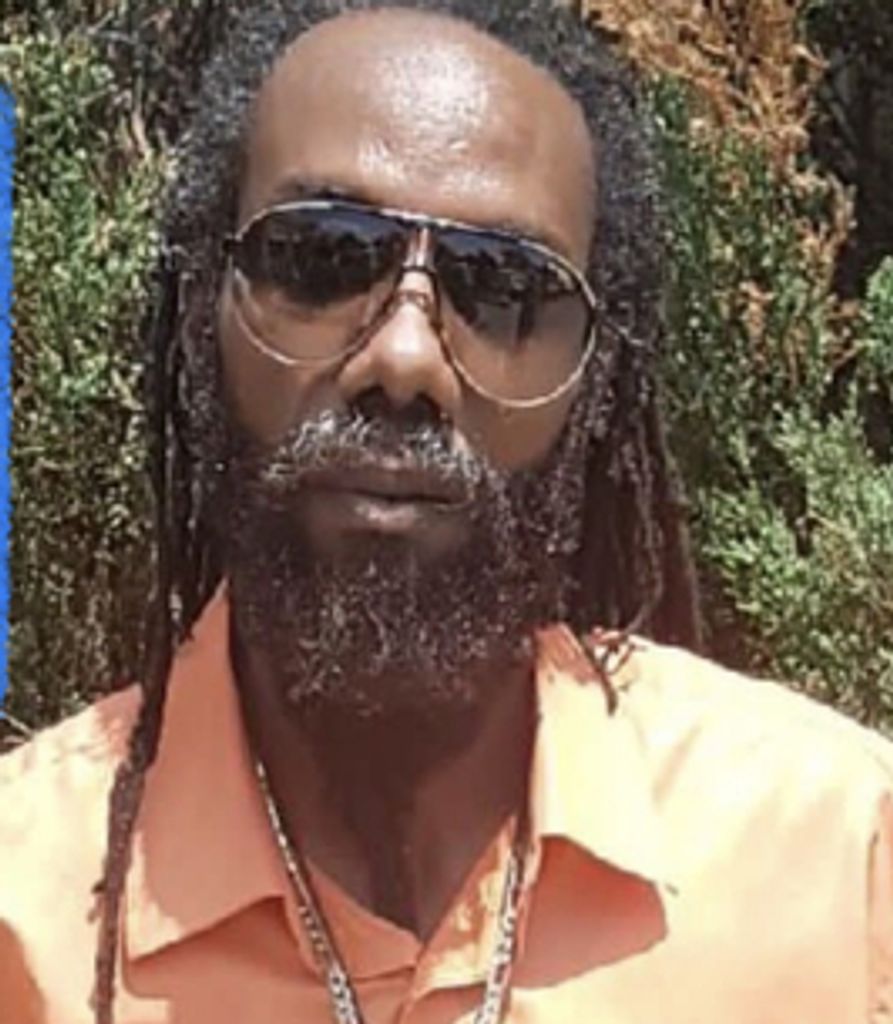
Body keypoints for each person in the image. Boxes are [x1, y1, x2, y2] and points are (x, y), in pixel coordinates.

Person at [1, 2, 891, 1022]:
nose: (405, 359)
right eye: (322, 256)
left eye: (504, 287)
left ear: (595, 387)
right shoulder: (25, 910)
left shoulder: (838, 865)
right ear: (204, 313)